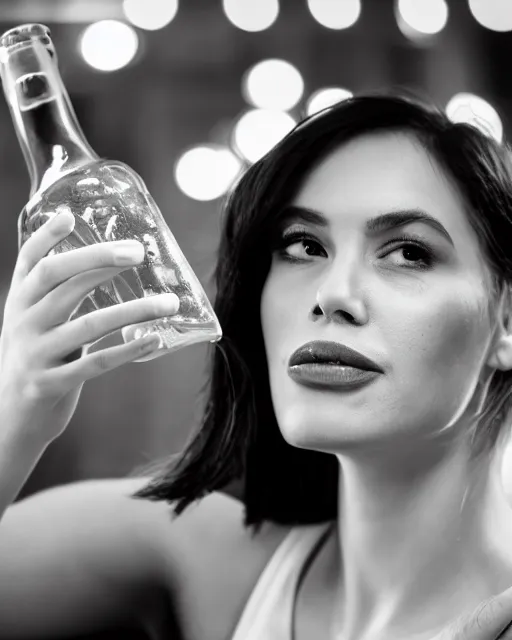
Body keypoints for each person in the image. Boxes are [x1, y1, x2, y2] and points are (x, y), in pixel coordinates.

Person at [1, 92, 512, 640]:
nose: (332, 294)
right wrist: (16, 413)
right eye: (303, 246)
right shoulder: (205, 556)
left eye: (409, 252)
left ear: (505, 320)